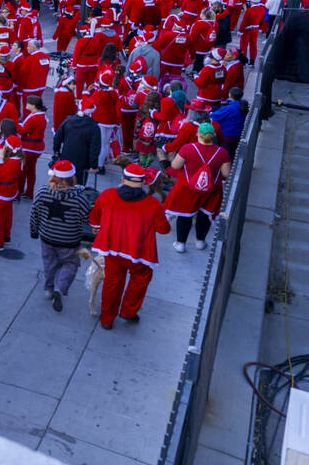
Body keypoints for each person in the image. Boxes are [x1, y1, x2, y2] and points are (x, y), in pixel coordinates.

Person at [90, 164, 170, 329]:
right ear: (142, 183)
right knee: (141, 279)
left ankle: (107, 319)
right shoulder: (153, 204)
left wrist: (99, 227)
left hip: (112, 250)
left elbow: (94, 218)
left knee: (112, 283)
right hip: (138, 253)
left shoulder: (107, 195)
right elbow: (164, 230)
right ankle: (128, 312)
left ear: (123, 179)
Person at [28, 160, 91, 312]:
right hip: (69, 240)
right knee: (70, 264)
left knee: (49, 263)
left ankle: (49, 289)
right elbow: (88, 218)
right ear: (72, 178)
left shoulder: (43, 192)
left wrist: (34, 230)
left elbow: (34, 213)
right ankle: (60, 288)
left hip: (47, 237)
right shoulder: (80, 198)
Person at [164, 122, 231, 252]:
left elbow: (175, 166)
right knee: (204, 215)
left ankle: (180, 244)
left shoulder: (187, 148)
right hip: (210, 191)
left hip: (187, 189)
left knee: (185, 215)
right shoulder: (222, 152)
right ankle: (200, 242)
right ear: (214, 135)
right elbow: (226, 174)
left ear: (197, 134)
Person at [52, 99, 101, 186]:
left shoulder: (68, 120)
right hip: (82, 162)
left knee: (61, 182)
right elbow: (95, 148)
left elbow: (57, 138)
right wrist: (93, 165)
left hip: (65, 157)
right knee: (78, 185)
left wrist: (56, 152)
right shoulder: (94, 126)